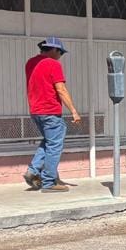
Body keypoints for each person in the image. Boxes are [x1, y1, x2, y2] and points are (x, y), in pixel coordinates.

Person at [23, 37, 80, 193]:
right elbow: (60, 89)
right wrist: (73, 110)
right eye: (60, 52)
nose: (60, 56)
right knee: (55, 146)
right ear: (54, 50)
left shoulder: (30, 63)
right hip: (50, 111)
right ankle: (48, 182)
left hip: (36, 111)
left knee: (49, 142)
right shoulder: (53, 64)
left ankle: (33, 171)